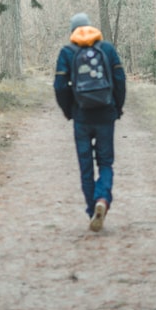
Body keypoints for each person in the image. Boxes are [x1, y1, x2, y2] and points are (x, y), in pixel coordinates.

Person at [54, 13, 126, 232]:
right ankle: (102, 200)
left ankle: (90, 209)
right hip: (105, 115)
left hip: (81, 117)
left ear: (72, 32)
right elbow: (120, 81)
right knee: (105, 163)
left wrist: (68, 111)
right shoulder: (108, 50)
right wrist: (117, 107)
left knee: (85, 167)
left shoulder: (67, 52)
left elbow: (60, 86)